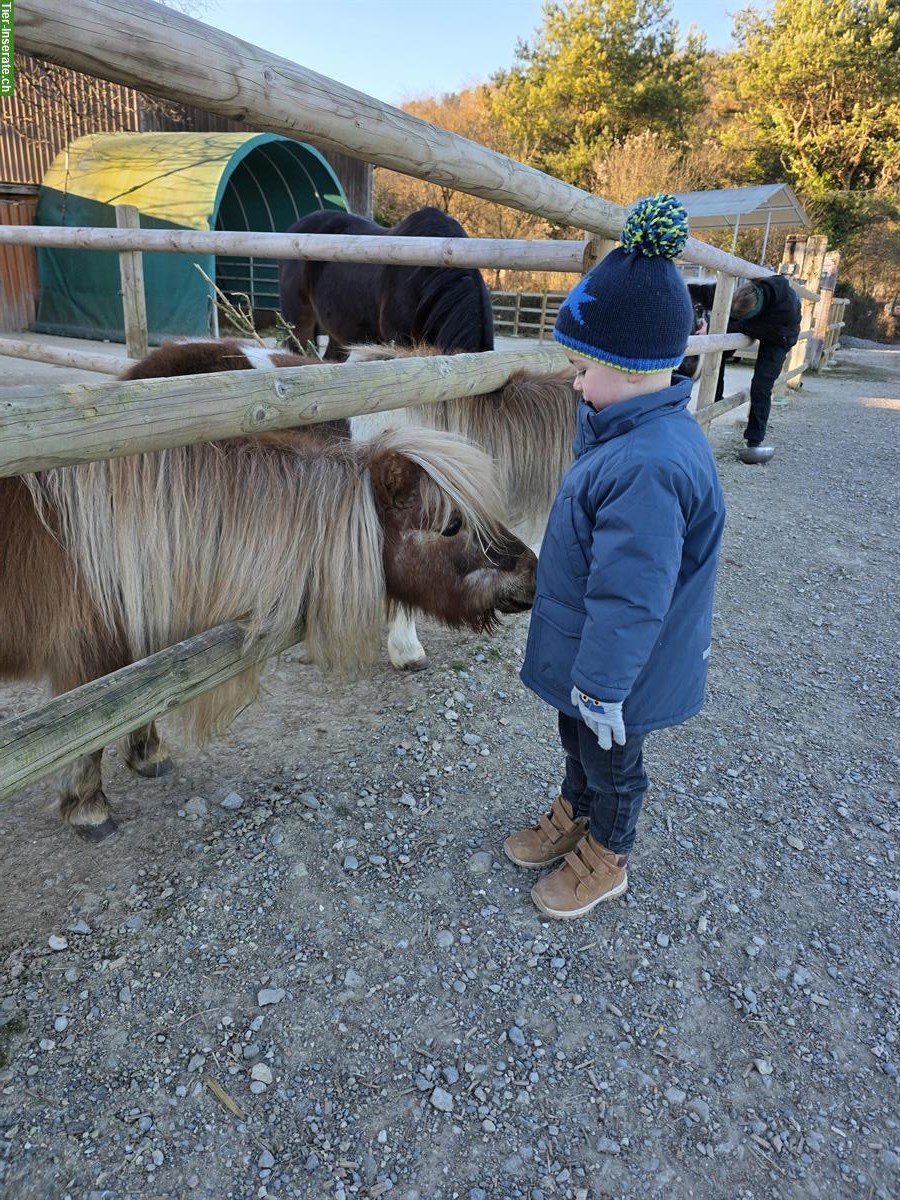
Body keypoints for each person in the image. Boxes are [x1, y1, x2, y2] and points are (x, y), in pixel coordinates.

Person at [504, 194, 726, 920]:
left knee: (613, 757)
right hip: (596, 661)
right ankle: (577, 811)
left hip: (621, 669)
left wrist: (602, 686)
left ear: (627, 369)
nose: (573, 381)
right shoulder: (622, 434)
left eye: (581, 366)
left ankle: (609, 853)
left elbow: (632, 593)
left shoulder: (647, 467)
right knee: (580, 740)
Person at [712, 275, 802, 464]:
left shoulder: (786, 307)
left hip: (780, 336)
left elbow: (754, 328)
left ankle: (754, 439)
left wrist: (741, 326)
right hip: (760, 321)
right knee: (718, 346)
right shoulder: (755, 288)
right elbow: (738, 322)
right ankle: (714, 398)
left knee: (761, 386)